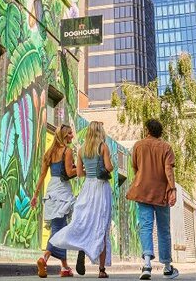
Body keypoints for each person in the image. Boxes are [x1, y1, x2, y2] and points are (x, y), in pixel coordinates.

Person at [49, 121, 114, 279]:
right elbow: (109, 167)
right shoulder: (103, 147)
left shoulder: (81, 150)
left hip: (87, 189)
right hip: (101, 189)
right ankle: (101, 269)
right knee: (101, 226)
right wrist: (104, 168)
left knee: (84, 222)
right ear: (100, 132)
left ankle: (81, 250)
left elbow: (79, 173)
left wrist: (89, 171)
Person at [126, 119, 179, 281]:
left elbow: (135, 168)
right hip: (161, 192)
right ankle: (167, 268)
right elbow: (168, 169)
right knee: (163, 230)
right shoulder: (166, 147)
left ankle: (147, 265)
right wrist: (172, 189)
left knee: (145, 227)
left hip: (142, 190)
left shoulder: (138, 146)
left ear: (147, 130)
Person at [31, 125, 79, 278]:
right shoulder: (67, 151)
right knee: (59, 229)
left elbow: (42, 176)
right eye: (70, 133)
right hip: (62, 191)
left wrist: (35, 195)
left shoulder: (49, 152)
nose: (72, 135)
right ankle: (44, 258)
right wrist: (82, 169)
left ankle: (64, 267)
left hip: (51, 190)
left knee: (60, 227)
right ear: (65, 136)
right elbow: (70, 172)